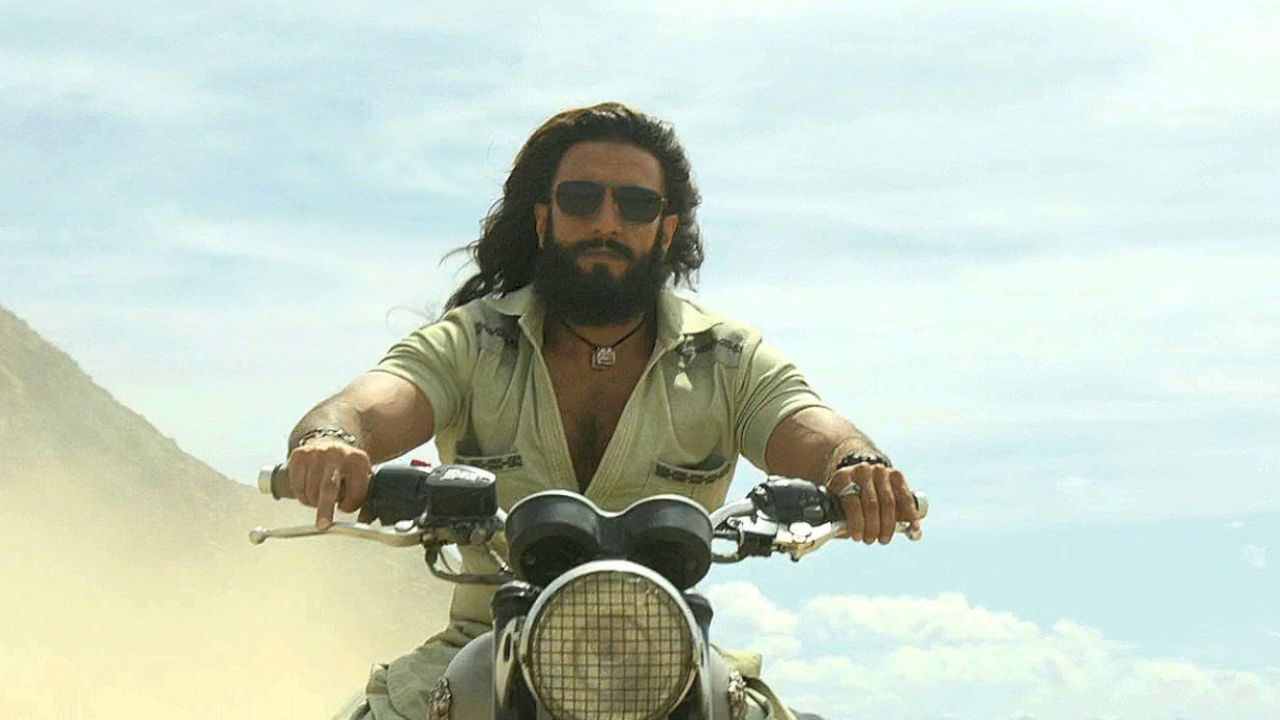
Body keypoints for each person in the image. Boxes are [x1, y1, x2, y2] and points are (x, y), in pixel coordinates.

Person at [286, 102, 920, 720]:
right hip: (486, 645)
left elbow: (802, 419)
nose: (607, 223)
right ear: (545, 219)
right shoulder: (470, 342)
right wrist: (334, 437)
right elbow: (379, 396)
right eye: (581, 199)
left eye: (636, 204)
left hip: (666, 652)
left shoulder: (728, 357)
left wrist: (854, 463)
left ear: (665, 230)